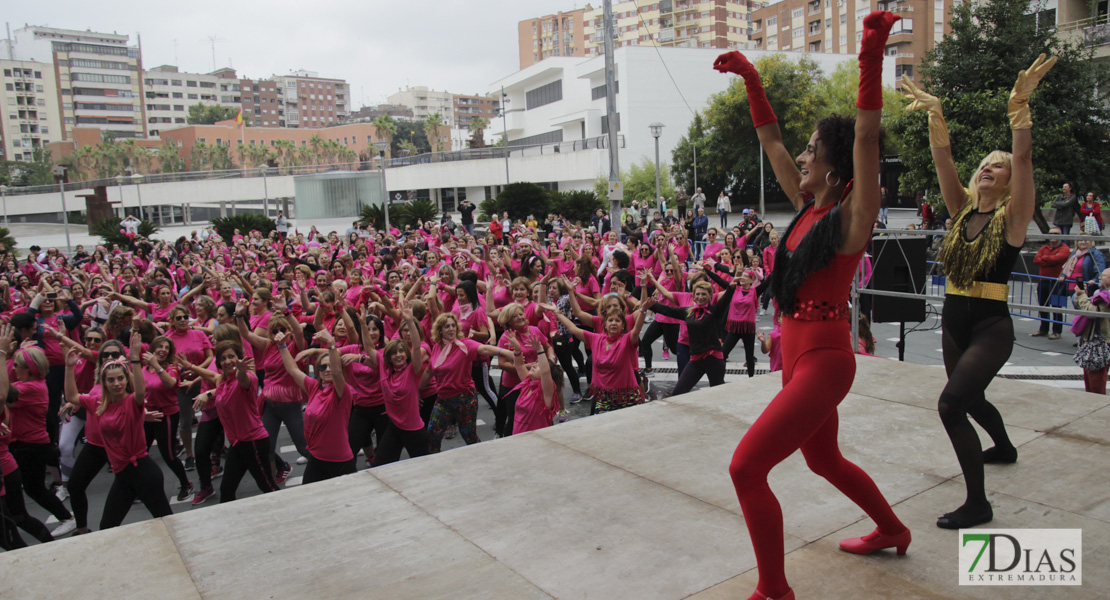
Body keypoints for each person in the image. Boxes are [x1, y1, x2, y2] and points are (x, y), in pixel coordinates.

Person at [715, 14, 909, 600]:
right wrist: (751, 79)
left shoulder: (851, 217)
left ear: (834, 167)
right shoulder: (805, 206)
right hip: (794, 355)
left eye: (812, 150)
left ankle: (774, 590)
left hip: (824, 359)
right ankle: (892, 528)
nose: (800, 156)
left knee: (746, 470)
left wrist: (871, 58)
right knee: (824, 460)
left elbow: (867, 140)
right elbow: (771, 141)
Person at [904, 53, 1057, 529]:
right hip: (953, 319)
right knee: (969, 398)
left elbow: (1026, 157)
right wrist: (935, 113)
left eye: (999, 166)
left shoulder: (1011, 219)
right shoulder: (960, 210)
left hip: (991, 325)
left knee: (951, 405)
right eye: (986, 164)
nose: (990, 168)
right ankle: (1005, 448)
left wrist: (1020, 107)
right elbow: (943, 159)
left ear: (1010, 181)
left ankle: (978, 504)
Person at [63, 330, 173, 529]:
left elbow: (140, 390)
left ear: (126, 379)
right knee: (107, 528)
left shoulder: (133, 402)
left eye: (120, 379)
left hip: (144, 473)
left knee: (167, 522)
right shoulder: (97, 401)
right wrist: (69, 367)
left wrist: (135, 359)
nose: (116, 384)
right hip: (123, 476)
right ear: (103, 382)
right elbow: (71, 396)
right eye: (111, 380)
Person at [190, 341, 279, 501]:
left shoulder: (247, 379)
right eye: (223, 358)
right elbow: (214, 380)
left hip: (253, 442)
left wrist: (241, 371)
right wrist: (207, 393)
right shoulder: (224, 381)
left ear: (239, 358)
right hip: (238, 444)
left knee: (268, 486)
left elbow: (243, 379)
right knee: (227, 490)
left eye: (231, 356)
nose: (227, 361)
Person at [1073, 269, 1110, 394]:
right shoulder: (1101, 293)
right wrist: (1081, 295)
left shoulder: (1106, 297)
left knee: (1096, 378)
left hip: (1101, 340)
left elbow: (1092, 312)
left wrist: (1082, 296)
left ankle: (1097, 403)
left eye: (1103, 276)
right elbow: (1085, 306)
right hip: (1094, 339)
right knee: (1089, 374)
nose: (1099, 277)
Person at [1031, 228, 1069, 340]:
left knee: (1057, 307)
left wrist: (1044, 259)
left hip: (1058, 283)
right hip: (1043, 281)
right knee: (1042, 306)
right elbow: (1036, 260)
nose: (1053, 235)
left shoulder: (1065, 248)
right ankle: (1043, 329)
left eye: (1056, 233)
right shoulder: (1044, 247)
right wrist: (1050, 260)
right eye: (1051, 233)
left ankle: (1057, 331)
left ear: (1061, 235)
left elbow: (1059, 258)